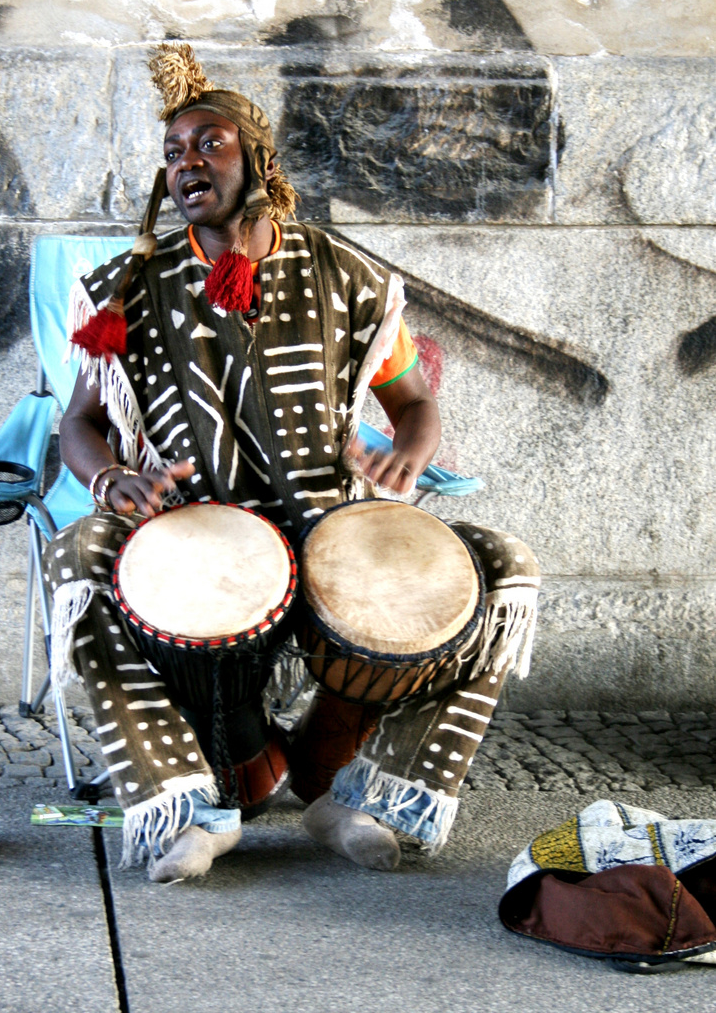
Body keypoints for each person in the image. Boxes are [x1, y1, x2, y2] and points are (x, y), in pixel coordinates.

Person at [44, 44, 540, 883]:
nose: (186, 164)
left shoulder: (346, 277)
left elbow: (414, 406)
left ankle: (370, 798)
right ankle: (189, 808)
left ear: (258, 160)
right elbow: (82, 422)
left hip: (327, 524)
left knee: (504, 568)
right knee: (80, 559)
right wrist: (106, 477)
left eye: (209, 143)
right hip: (194, 534)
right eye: (172, 154)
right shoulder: (126, 287)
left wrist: (407, 462)